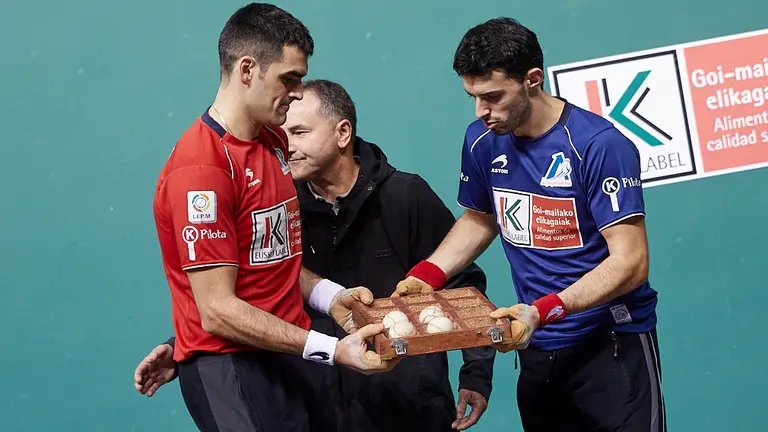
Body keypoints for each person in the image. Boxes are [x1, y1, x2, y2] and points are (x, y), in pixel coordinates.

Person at [135, 79, 496, 432]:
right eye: (284, 131)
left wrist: (475, 375)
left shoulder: (406, 196)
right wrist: (184, 347)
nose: (285, 145)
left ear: (342, 133)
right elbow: (257, 284)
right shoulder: (277, 200)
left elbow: (461, 284)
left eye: (300, 132)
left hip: (409, 408)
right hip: (316, 406)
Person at [393, 18, 667, 432]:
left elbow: (631, 262)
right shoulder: (481, 140)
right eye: (472, 96)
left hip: (611, 347)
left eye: (492, 96)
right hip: (535, 345)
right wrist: (427, 275)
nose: (480, 111)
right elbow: (481, 217)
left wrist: (546, 309)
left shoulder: (599, 145)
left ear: (533, 79)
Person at [141, 4, 396, 432]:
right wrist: (330, 349)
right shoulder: (201, 170)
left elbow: (272, 262)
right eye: (289, 78)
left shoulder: (273, 142)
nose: (297, 92)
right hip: (231, 369)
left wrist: (330, 296)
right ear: (247, 69)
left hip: (287, 354)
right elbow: (218, 311)